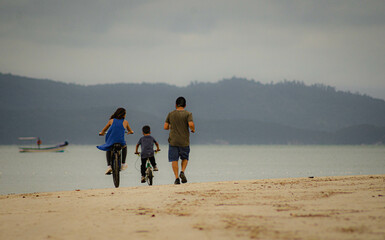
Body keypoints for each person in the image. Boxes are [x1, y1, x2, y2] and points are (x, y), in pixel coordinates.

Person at [164, 96, 195, 184]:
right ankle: (182, 171)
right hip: (184, 140)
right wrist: (192, 129)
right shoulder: (188, 114)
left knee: (174, 159)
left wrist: (171, 126)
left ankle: (177, 178)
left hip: (173, 140)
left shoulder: (171, 114)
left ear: (176, 105)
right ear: (185, 105)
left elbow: (165, 127)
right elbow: (191, 124)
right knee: (185, 157)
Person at [97, 108, 134, 175]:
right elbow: (130, 130)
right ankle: (123, 163)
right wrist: (131, 132)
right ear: (123, 115)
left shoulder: (111, 121)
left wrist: (102, 133)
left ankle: (109, 166)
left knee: (108, 147)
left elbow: (104, 129)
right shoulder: (125, 122)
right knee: (124, 146)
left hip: (112, 141)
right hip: (120, 141)